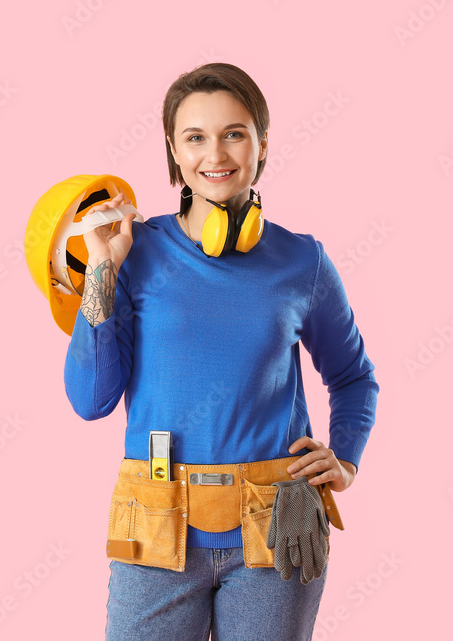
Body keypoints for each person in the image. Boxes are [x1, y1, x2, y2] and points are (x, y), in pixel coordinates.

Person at [63, 62, 379, 640]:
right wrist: (103, 271)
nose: (217, 153)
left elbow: (354, 376)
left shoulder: (302, 261)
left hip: (275, 522)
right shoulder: (135, 252)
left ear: (262, 142)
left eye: (234, 132)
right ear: (174, 153)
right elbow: (90, 400)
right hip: (155, 518)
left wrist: (347, 459)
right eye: (195, 137)